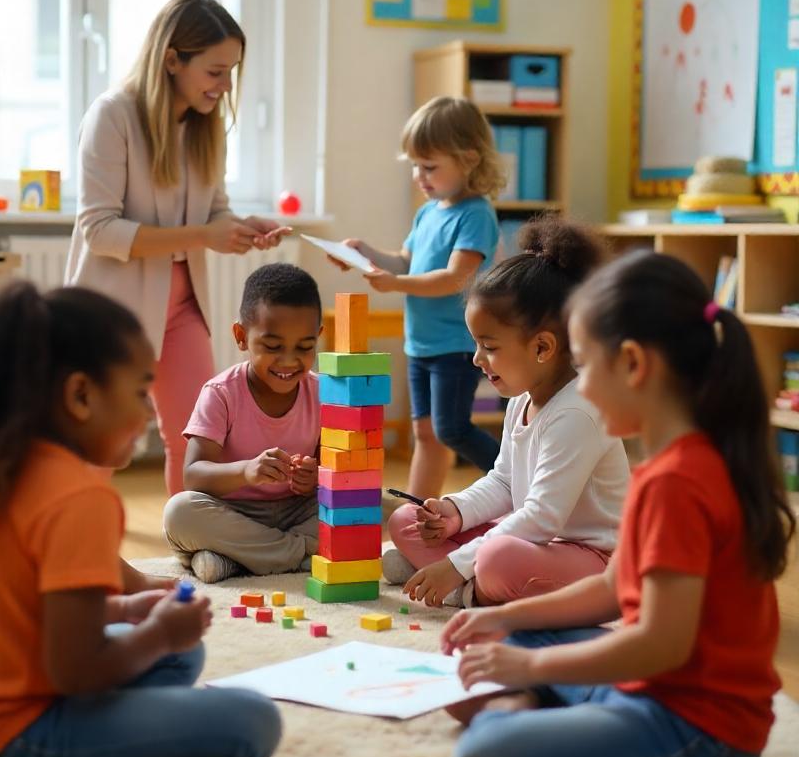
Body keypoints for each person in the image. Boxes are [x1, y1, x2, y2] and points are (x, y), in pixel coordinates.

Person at [442, 250, 796, 757]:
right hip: (654, 689)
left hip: (699, 735)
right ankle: (538, 700)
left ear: (632, 364)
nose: (577, 384)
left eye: (584, 364)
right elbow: (613, 589)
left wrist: (530, 670)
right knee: (504, 643)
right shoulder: (670, 466)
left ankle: (529, 705)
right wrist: (504, 617)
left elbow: (658, 644)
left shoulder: (680, 483)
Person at [0, 282, 281, 757]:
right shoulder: (78, 498)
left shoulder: (1, 464)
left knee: (184, 655)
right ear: (81, 395)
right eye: (139, 392)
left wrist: (127, 610)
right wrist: (155, 633)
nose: (146, 415)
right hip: (7, 750)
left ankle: (116, 739)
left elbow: (20, 614)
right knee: (252, 723)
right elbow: (76, 671)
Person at [66, 0, 291, 496]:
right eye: (215, 71)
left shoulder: (206, 129)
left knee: (196, 439)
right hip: (112, 313)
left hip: (183, 306)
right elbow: (98, 229)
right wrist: (203, 234)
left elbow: (213, 212)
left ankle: (189, 548)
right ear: (172, 60)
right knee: (99, 445)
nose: (225, 85)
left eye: (231, 71)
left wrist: (238, 226)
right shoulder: (112, 116)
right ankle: (77, 556)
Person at [385, 216, 629, 608]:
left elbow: (541, 518)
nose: (477, 359)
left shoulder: (579, 412)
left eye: (490, 346)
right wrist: (454, 512)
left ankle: (460, 589)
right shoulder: (523, 398)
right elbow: (503, 482)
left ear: (543, 348)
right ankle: (464, 584)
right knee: (405, 520)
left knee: (498, 561)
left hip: (594, 560)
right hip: (540, 542)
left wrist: (456, 563)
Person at [334, 96, 503, 499]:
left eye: (429, 167)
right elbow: (404, 260)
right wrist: (364, 253)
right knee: (425, 433)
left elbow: (455, 278)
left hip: (456, 344)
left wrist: (397, 285)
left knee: (451, 428)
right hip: (423, 342)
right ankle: (417, 508)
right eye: (414, 165)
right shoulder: (429, 212)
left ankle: (518, 479)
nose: (418, 176)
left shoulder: (475, 214)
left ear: (468, 159)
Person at [164, 263, 322, 584]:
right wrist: (246, 471)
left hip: (298, 512)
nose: (289, 360)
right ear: (241, 336)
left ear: (317, 338)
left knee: (372, 503)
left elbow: (335, 469)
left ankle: (235, 560)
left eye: (304, 348)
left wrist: (316, 476)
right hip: (235, 513)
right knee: (180, 512)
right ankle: (299, 555)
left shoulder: (322, 393)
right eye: (273, 347)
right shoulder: (221, 393)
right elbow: (193, 475)